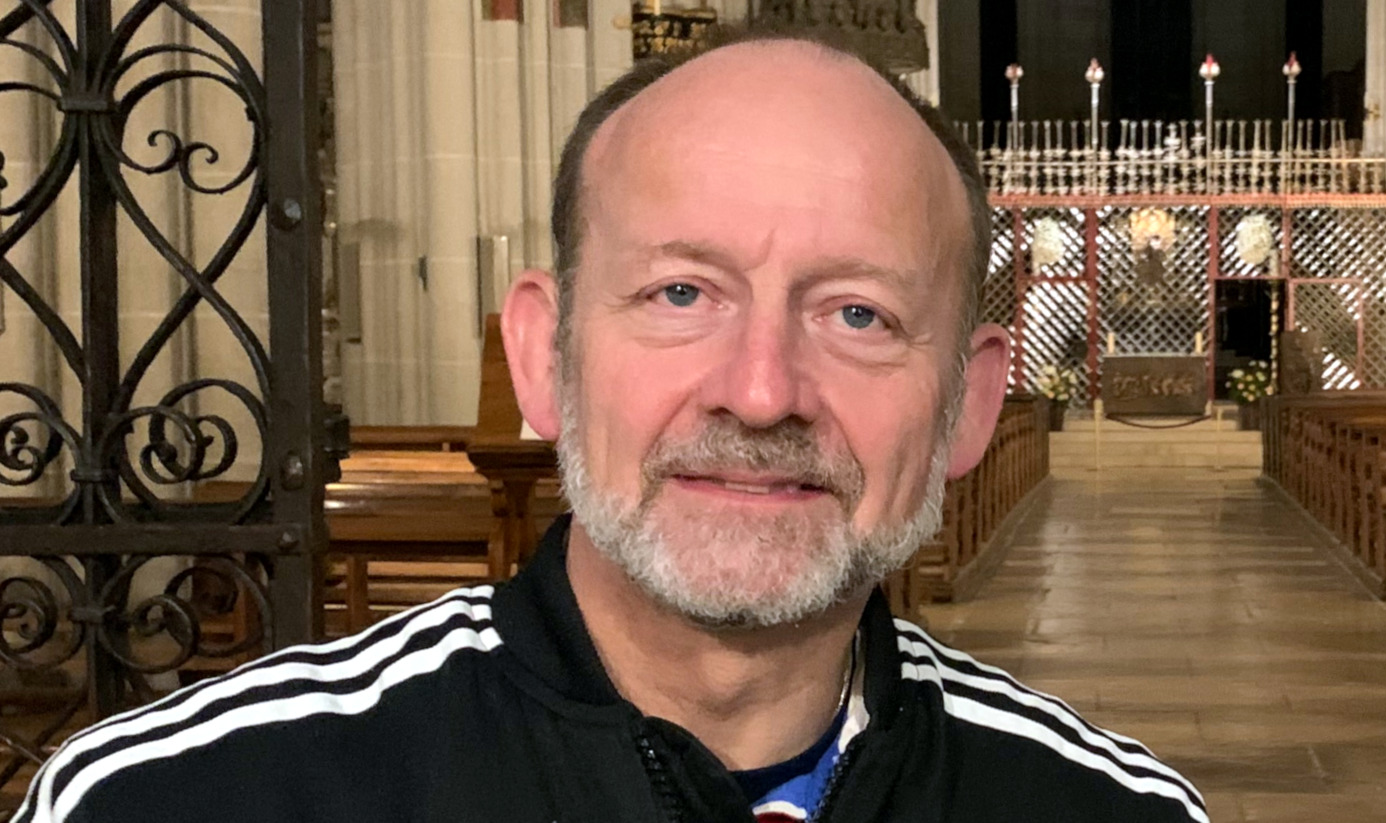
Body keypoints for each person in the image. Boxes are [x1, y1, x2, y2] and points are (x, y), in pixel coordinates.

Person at [13, 25, 1205, 823]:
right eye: (681, 293)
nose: (759, 389)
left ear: (971, 403)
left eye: (858, 311)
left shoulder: (1115, 811)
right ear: (545, 356)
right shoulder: (191, 800)